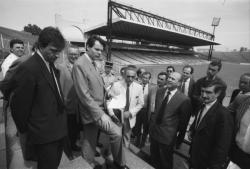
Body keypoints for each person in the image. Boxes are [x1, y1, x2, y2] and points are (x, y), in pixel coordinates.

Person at [9, 27, 67, 169]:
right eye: (53, 50)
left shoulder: (49, 63)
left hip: (57, 130)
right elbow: (19, 107)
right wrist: (29, 132)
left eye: (59, 51)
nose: (57, 55)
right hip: (43, 135)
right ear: (41, 45)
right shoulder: (28, 68)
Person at [72, 35, 128, 169]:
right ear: (87, 47)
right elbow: (84, 95)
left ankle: (88, 163)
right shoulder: (80, 64)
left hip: (99, 108)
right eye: (97, 49)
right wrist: (100, 114)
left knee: (89, 139)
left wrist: (107, 93)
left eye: (101, 50)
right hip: (93, 111)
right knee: (116, 133)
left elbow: (95, 85)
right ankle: (119, 163)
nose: (99, 52)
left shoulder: (93, 62)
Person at [149, 72, 192, 169]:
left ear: (179, 83)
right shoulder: (160, 91)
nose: (169, 80)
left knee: (165, 162)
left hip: (167, 138)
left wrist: (179, 140)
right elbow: (155, 111)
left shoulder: (184, 100)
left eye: (173, 79)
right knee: (153, 159)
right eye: (169, 77)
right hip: (155, 133)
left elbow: (183, 123)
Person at [189, 80, 234, 169]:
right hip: (195, 156)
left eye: (208, 92)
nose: (204, 95)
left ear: (218, 94)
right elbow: (199, 121)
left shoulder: (224, 115)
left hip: (207, 162)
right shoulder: (201, 104)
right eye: (202, 91)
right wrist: (192, 129)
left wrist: (214, 166)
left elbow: (222, 145)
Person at [107, 66, 144, 148]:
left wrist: (131, 112)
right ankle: (111, 155)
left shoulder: (139, 87)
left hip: (129, 117)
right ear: (124, 75)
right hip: (116, 117)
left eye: (133, 77)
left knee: (126, 137)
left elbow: (141, 103)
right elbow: (109, 101)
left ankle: (124, 155)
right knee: (115, 136)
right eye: (128, 76)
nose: (130, 79)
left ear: (135, 76)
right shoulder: (116, 85)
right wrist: (112, 114)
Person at [57, 46, 81, 153]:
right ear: (67, 54)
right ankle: (67, 148)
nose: (74, 56)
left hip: (79, 105)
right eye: (71, 54)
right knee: (68, 129)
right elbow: (59, 87)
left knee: (75, 128)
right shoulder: (61, 67)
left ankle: (73, 144)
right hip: (67, 105)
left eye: (76, 54)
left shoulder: (80, 67)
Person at [227, 74, 250, 169]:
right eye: (241, 81)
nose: (241, 84)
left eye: (245, 83)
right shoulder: (242, 99)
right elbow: (229, 112)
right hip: (236, 150)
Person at [133, 71, 154, 148]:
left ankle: (143, 142)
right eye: (144, 78)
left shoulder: (152, 88)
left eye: (147, 78)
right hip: (138, 110)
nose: (145, 79)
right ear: (141, 78)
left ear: (149, 79)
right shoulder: (137, 86)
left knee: (145, 127)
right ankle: (137, 140)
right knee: (137, 126)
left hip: (146, 111)